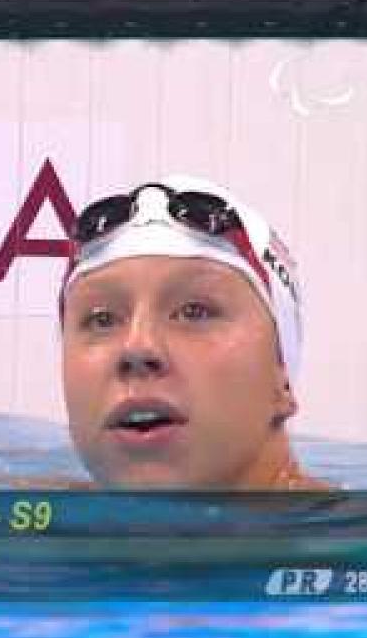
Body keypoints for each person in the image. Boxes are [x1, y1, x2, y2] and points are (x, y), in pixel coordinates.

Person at [59, 174, 327, 490]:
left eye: (194, 312)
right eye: (102, 319)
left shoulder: (363, 531)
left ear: (281, 375)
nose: (138, 348)